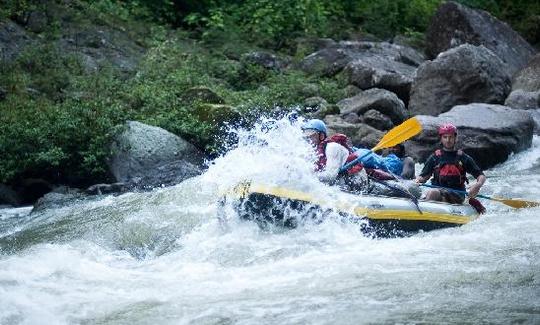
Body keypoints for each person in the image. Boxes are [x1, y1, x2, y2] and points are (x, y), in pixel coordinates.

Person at [415, 123, 486, 205]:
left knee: (432, 193)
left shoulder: (463, 157)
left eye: (450, 137)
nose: (448, 140)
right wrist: (418, 180)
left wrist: (478, 185)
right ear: (441, 139)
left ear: (455, 138)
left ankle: (427, 211)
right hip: (438, 192)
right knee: (432, 193)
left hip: (457, 195)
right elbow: (424, 176)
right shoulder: (435, 157)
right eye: (445, 137)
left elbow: (481, 175)